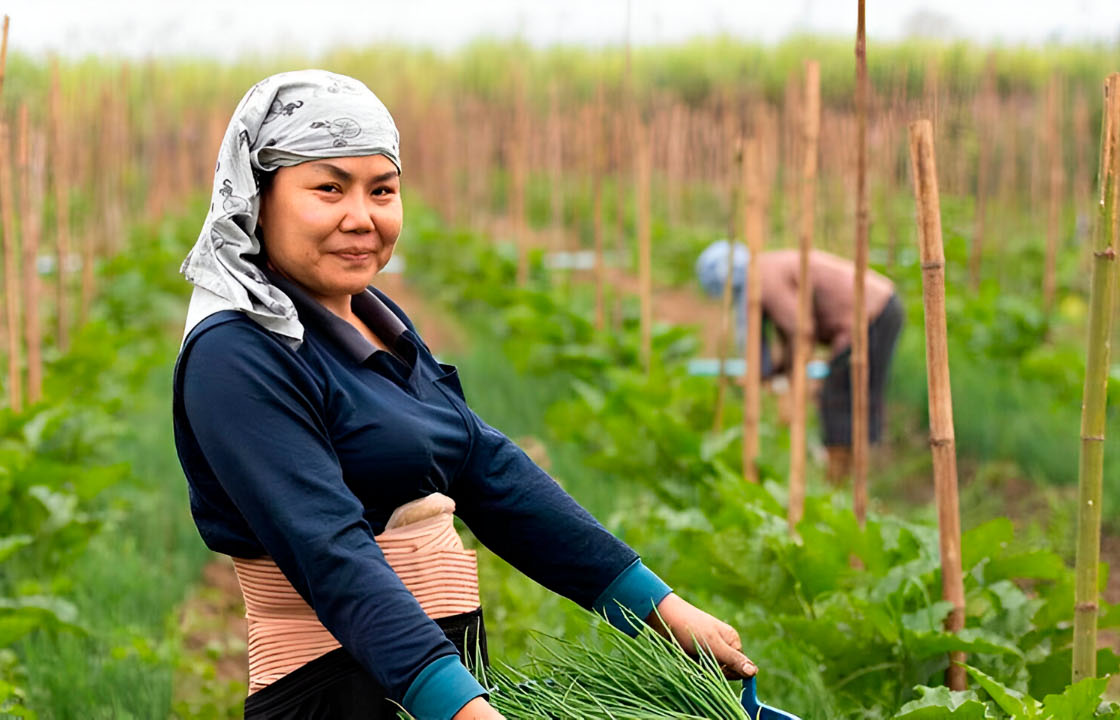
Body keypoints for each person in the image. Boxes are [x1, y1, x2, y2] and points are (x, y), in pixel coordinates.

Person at [172, 70, 756, 720]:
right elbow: (329, 552)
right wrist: (461, 709)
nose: (361, 217)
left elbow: (483, 466)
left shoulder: (370, 315)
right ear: (259, 197)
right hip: (339, 693)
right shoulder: (236, 354)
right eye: (328, 188)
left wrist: (660, 609)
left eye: (382, 190)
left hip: (437, 683)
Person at [696, 240, 903, 483]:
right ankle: (850, 475)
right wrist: (780, 369)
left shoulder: (763, 278)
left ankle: (844, 479)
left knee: (839, 398)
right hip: (878, 306)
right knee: (848, 396)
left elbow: (801, 329)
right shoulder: (765, 269)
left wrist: (796, 384)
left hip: (871, 314)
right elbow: (790, 334)